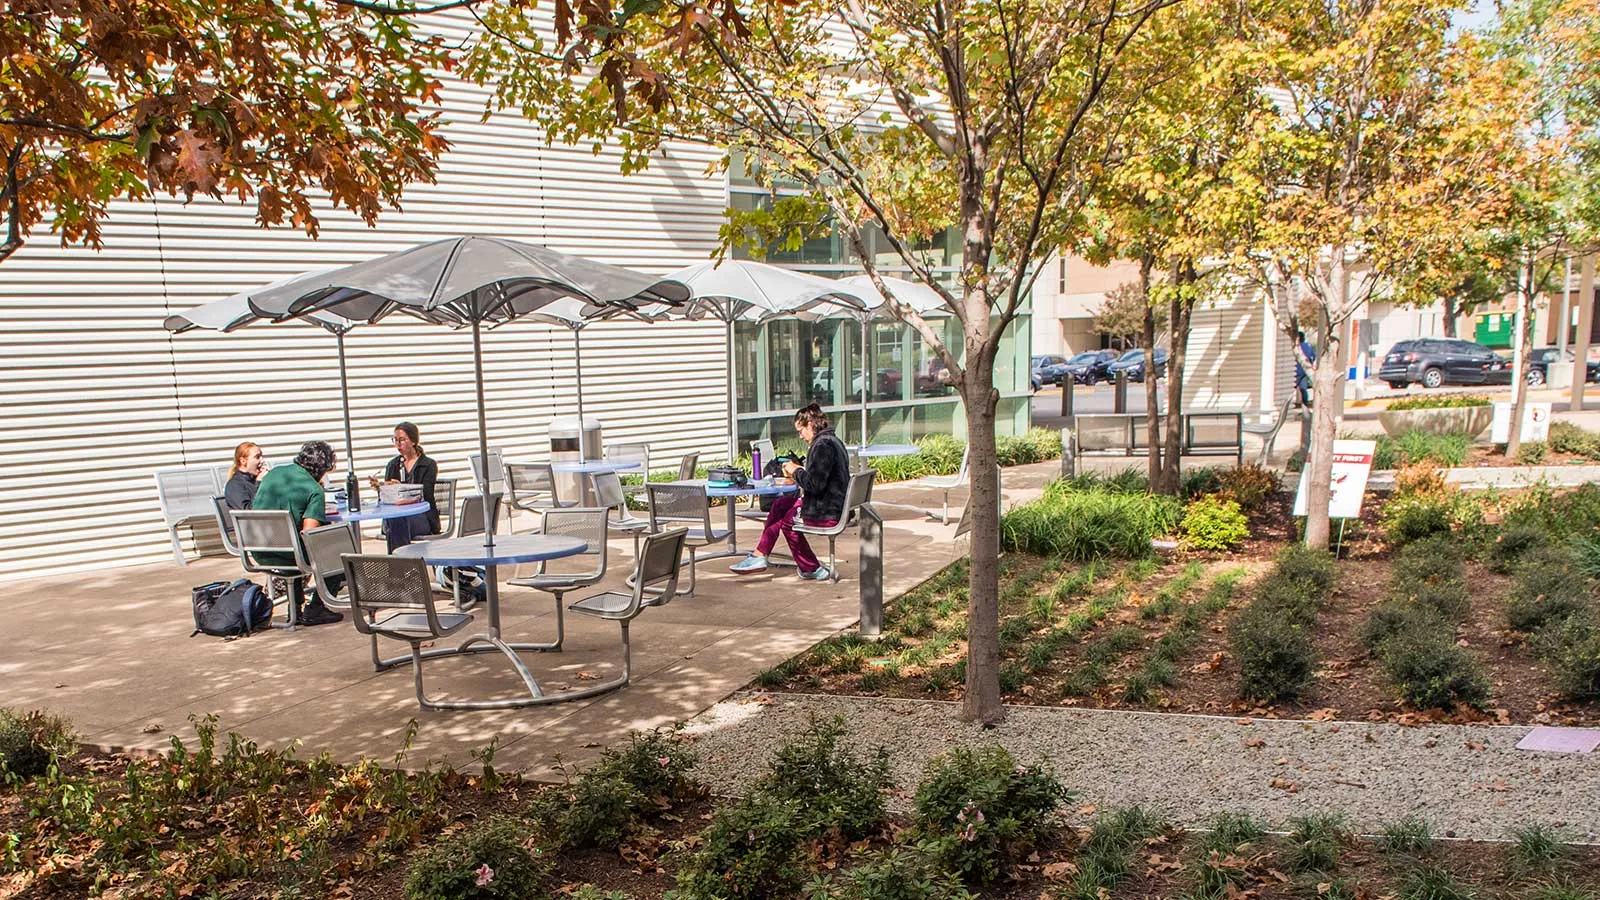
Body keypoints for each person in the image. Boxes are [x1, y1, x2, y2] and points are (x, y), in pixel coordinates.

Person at [730, 403, 850, 580]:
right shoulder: (832, 441)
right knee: (780, 504)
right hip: (833, 504)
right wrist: (800, 470)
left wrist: (795, 470)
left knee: (788, 522)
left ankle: (811, 568)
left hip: (828, 512)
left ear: (810, 424)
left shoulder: (822, 445)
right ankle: (759, 555)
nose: (800, 436)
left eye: (800, 431)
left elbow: (814, 485)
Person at [251, 440, 344, 626]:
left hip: (258, 550)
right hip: (288, 555)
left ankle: (295, 606)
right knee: (338, 552)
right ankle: (316, 609)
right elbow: (309, 534)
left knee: (295, 546)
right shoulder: (313, 489)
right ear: (323, 468)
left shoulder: (274, 473)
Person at [371, 421, 440, 552]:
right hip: (396, 515)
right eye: (395, 440)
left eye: (402, 440)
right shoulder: (393, 464)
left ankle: (399, 564)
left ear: (413, 441)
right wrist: (381, 488)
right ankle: (402, 565)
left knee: (396, 521)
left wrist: (402, 488)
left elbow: (426, 493)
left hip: (420, 516)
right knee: (395, 519)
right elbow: (387, 499)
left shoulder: (428, 464)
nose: (398, 444)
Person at [224, 441, 264, 510]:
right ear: (243, 461)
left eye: (261, 456)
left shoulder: (254, 480)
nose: (262, 460)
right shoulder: (235, 485)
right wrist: (259, 483)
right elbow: (249, 512)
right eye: (257, 457)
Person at [1295, 331, 1317, 408]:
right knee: (1303, 388)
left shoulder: (1296, 347)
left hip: (1296, 370)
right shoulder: (1308, 346)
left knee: (1291, 388)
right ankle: (1305, 405)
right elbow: (1314, 356)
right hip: (1306, 370)